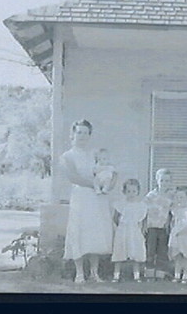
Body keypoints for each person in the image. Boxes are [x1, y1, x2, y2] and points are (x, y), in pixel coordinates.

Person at [61, 119, 116, 283]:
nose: (82, 136)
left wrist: (109, 183)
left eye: (86, 133)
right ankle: (79, 273)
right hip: (81, 196)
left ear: (90, 135)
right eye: (79, 132)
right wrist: (94, 184)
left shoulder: (95, 154)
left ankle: (94, 272)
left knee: (96, 232)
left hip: (97, 198)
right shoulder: (68, 156)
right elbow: (73, 177)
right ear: (73, 134)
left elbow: (107, 170)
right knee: (79, 231)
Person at [111, 179, 148, 282]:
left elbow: (144, 219)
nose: (131, 194)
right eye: (128, 191)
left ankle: (136, 276)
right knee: (120, 251)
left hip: (135, 230)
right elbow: (115, 217)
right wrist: (121, 226)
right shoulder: (121, 204)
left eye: (134, 191)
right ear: (124, 192)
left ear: (138, 192)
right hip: (123, 230)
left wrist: (142, 229)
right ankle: (116, 275)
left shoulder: (141, 206)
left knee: (135, 252)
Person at [144, 168, 174, 275]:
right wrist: (144, 225)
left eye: (167, 181)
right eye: (162, 180)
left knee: (162, 250)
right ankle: (149, 272)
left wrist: (170, 225)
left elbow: (172, 212)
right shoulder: (151, 195)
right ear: (157, 180)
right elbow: (144, 211)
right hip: (151, 226)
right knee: (150, 250)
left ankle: (160, 273)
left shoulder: (171, 196)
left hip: (163, 227)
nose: (164, 183)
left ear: (170, 182)